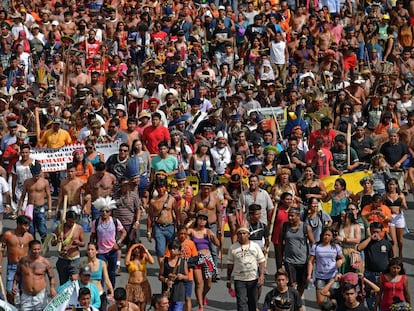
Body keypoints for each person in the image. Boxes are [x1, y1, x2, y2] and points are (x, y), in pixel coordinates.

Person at [90, 196, 127, 288]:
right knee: (101, 273)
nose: (104, 213)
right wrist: (92, 249)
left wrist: (118, 243)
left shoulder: (115, 221)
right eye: (102, 211)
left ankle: (111, 291)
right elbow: (92, 236)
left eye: (107, 211)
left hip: (112, 251)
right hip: (101, 252)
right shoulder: (96, 222)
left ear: (110, 212)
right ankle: (101, 291)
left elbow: (124, 232)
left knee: (111, 272)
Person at [226, 226, 265, 311]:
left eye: (244, 233)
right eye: (239, 234)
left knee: (253, 303)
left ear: (248, 235)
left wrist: (261, 275)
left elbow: (261, 262)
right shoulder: (233, 248)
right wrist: (228, 279)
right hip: (239, 280)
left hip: (253, 278)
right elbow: (230, 265)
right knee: (241, 303)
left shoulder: (255, 246)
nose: (242, 235)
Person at [277, 207, 314, 296]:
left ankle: (297, 299)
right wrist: (280, 259)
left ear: (298, 216)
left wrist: (312, 259)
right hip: (289, 260)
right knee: (291, 284)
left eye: (292, 216)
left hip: (303, 260)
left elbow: (313, 243)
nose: (290, 218)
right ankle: (293, 300)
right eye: (289, 216)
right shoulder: (284, 226)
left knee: (302, 284)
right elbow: (280, 243)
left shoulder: (306, 227)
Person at [357, 222, 394, 310]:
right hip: (370, 274)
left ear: (381, 231)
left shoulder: (387, 243)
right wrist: (370, 238)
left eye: (377, 232)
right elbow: (359, 248)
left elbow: (391, 259)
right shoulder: (367, 243)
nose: (375, 234)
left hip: (383, 275)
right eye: (373, 232)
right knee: (370, 297)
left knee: (384, 297)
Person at [187, 212, 220, 311]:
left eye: (204, 219)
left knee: (208, 283)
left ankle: (203, 295)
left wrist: (213, 237)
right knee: (198, 283)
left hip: (207, 258)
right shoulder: (191, 231)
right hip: (197, 258)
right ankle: (201, 306)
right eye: (200, 219)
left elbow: (218, 243)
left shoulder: (208, 231)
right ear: (197, 220)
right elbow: (182, 233)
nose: (202, 221)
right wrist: (189, 224)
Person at [13, 240, 56, 311]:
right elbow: (17, 274)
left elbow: (51, 277)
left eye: (38, 249)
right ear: (29, 249)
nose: (37, 251)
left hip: (40, 296)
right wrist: (14, 284)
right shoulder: (23, 261)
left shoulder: (45, 262)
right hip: (26, 295)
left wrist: (52, 288)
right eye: (34, 249)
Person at [307, 226, 345, 306]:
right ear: (322, 235)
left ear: (332, 237)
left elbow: (342, 258)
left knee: (333, 302)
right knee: (320, 302)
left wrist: (340, 261)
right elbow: (311, 261)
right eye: (325, 235)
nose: (326, 237)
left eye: (329, 235)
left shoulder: (336, 247)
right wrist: (309, 275)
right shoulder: (316, 247)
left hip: (333, 277)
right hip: (320, 277)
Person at [0, 215, 33, 304]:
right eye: (25, 226)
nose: (27, 228)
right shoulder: (8, 235)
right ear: (18, 224)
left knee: (24, 290)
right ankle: (10, 307)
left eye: (28, 226)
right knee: (9, 291)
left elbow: (33, 252)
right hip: (12, 266)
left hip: (25, 266)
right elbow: (1, 250)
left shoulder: (29, 237)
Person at [147, 178, 179, 265]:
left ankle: (169, 266)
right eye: (159, 187)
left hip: (170, 226)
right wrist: (149, 231)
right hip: (159, 228)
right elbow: (150, 216)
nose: (161, 189)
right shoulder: (153, 201)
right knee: (160, 250)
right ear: (156, 189)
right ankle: (163, 269)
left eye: (163, 187)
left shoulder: (171, 199)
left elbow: (177, 213)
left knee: (171, 249)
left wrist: (179, 227)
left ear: (166, 188)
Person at [17, 162, 52, 242]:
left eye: (37, 175)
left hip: (40, 207)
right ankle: (32, 245)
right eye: (34, 175)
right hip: (30, 208)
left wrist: (49, 210)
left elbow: (49, 196)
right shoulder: (27, 182)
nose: (36, 177)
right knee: (30, 229)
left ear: (40, 173)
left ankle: (45, 244)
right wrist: (19, 209)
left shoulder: (45, 182)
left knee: (42, 227)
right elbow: (23, 196)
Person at [51, 210, 85, 285]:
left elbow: (83, 243)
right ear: (66, 219)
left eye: (73, 222)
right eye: (70, 222)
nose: (72, 224)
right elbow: (52, 243)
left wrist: (78, 243)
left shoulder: (79, 228)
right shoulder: (59, 228)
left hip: (75, 259)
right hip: (63, 259)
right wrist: (57, 240)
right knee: (63, 284)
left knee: (75, 283)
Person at [81, 242, 114, 311]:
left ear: (97, 251)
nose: (90, 251)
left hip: (100, 293)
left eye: (92, 249)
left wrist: (111, 291)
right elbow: (80, 279)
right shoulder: (83, 264)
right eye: (88, 249)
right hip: (88, 296)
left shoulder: (102, 263)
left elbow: (106, 279)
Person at [159, 239, 189, 311]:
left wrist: (182, 277)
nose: (172, 250)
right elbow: (160, 276)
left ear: (178, 250)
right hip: (167, 293)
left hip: (178, 293)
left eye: (174, 249)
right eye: (171, 248)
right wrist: (166, 280)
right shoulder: (164, 261)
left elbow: (187, 277)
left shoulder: (182, 262)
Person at [383, 178, 408, 259]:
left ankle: (400, 253)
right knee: (394, 241)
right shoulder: (385, 195)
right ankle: (394, 257)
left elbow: (405, 207)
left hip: (399, 217)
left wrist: (402, 205)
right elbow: (383, 206)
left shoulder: (400, 195)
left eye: (393, 184)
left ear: (396, 185)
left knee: (400, 240)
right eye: (390, 184)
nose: (391, 186)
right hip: (390, 217)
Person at [125, 243, 154, 311]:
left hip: (143, 285)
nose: (137, 250)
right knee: (135, 307)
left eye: (138, 248)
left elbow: (152, 261)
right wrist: (131, 248)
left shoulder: (144, 257)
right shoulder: (130, 259)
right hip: (132, 286)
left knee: (142, 307)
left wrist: (145, 249)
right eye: (135, 249)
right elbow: (126, 262)